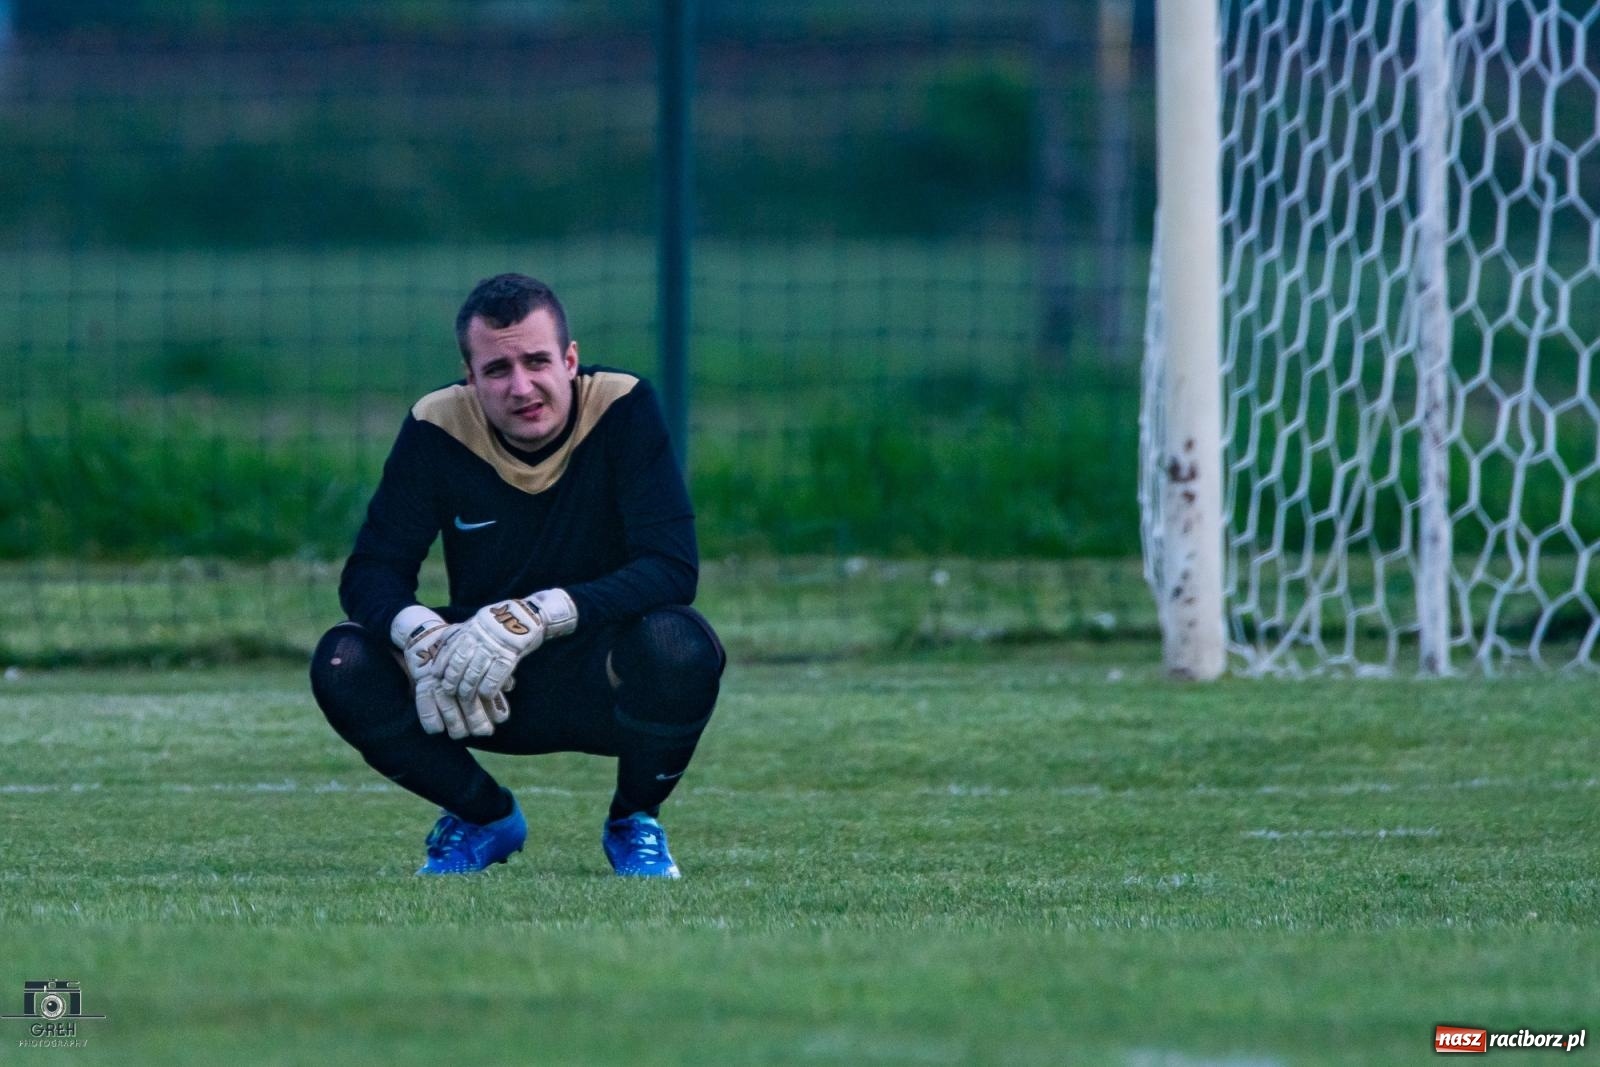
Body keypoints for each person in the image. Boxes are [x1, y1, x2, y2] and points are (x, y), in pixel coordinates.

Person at [309, 273, 725, 879]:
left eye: (537, 361)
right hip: (479, 682)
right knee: (343, 660)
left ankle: (636, 821)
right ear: (470, 375)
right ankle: (484, 817)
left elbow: (672, 567)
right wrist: (420, 633)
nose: (522, 387)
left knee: (679, 643)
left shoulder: (623, 405)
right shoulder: (436, 425)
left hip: (602, 671)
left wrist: (539, 614)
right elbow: (371, 571)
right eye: (497, 370)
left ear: (570, 359)